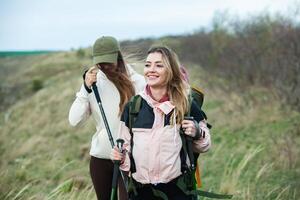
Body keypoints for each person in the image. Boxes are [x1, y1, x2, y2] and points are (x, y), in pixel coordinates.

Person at [110, 46, 211, 200]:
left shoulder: (186, 105)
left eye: (159, 65)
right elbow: (124, 149)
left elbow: (204, 145)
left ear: (170, 71)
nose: (151, 69)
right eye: (148, 64)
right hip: (141, 192)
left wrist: (197, 132)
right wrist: (120, 157)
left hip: (177, 191)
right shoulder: (133, 107)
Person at [69, 36, 145, 200]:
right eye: (100, 63)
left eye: (108, 62)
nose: (104, 67)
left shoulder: (138, 82)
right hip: (101, 159)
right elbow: (74, 121)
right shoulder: (94, 84)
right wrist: (85, 89)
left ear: (118, 57)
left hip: (130, 159)